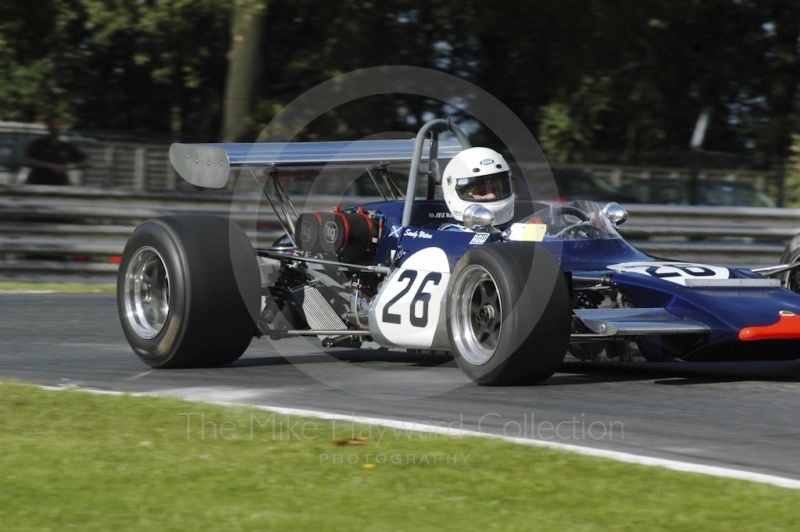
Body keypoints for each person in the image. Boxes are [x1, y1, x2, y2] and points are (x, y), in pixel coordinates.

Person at [441, 147, 515, 228]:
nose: (492, 196)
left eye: (496, 190)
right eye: (481, 192)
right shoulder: (449, 237)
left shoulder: (517, 232)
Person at [23, 116, 90, 185]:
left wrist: (68, 167)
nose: (56, 127)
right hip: (38, 184)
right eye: (53, 124)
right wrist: (51, 166)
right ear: (48, 126)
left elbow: (86, 163)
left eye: (59, 124)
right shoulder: (38, 144)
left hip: (60, 185)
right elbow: (27, 161)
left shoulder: (67, 146)